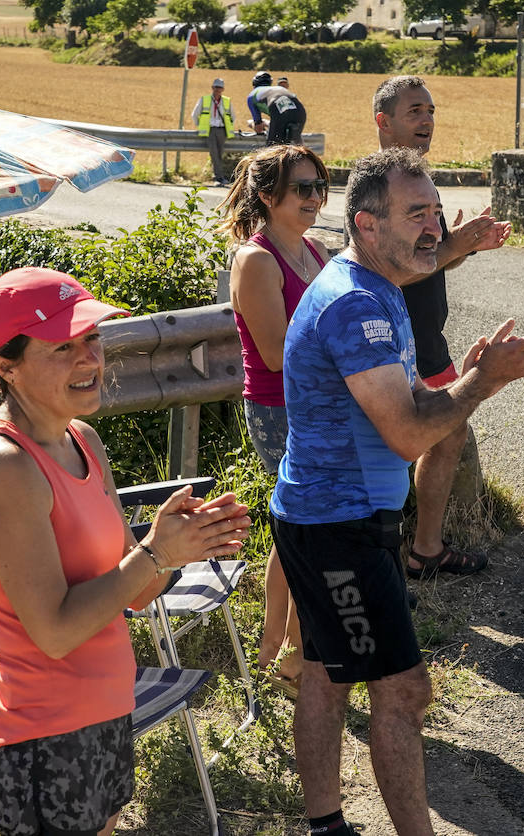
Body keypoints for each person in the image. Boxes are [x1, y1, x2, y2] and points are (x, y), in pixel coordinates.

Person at [270, 147, 524, 836]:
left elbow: (400, 405)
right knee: (402, 690)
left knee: (324, 674)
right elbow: (404, 432)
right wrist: (483, 382)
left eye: (435, 211)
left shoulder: (377, 288)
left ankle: (326, 825)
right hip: (337, 527)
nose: (433, 228)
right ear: (368, 225)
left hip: (330, 519)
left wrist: (466, 381)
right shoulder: (355, 306)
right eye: (416, 214)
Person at [0, 266, 252, 836]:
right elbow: (56, 631)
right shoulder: (2, 467)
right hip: (43, 734)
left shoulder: (82, 440)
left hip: (106, 710)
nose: (89, 359)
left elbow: (133, 591)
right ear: (5, 366)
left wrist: (178, 544)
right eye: (63, 347)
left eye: (92, 338)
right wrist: (154, 554)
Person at [373, 75, 509, 580]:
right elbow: (393, 265)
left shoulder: (420, 182)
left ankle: (425, 550)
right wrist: (458, 244)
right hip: (389, 342)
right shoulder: (377, 184)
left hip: (428, 340)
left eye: (430, 111)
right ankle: (382, 560)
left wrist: (464, 246)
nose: (427, 121)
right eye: (414, 111)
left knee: (448, 433)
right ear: (384, 122)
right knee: (388, 448)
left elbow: (429, 260)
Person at [222, 143, 331, 699]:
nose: (315, 198)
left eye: (319, 186)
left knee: (300, 528)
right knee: (308, 530)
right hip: (279, 409)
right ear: (268, 196)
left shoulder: (312, 250)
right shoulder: (257, 259)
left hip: (316, 405)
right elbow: (272, 352)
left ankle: (283, 653)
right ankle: (290, 656)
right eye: (302, 189)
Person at [190, 77, 236, 186]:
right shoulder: (204, 99)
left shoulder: (226, 101)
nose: (218, 89)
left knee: (220, 154)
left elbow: (233, 117)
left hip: (222, 130)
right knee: (214, 154)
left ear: (223, 89)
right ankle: (218, 178)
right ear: (212, 88)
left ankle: (219, 177)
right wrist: (200, 126)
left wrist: (227, 127)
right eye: (216, 87)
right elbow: (195, 115)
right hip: (210, 130)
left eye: (220, 87)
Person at [247, 70, 306, 146]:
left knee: (273, 148)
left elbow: (259, 128)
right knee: (298, 145)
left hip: (277, 111)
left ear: (254, 83)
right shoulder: (278, 89)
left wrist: (251, 123)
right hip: (299, 111)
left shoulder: (252, 96)